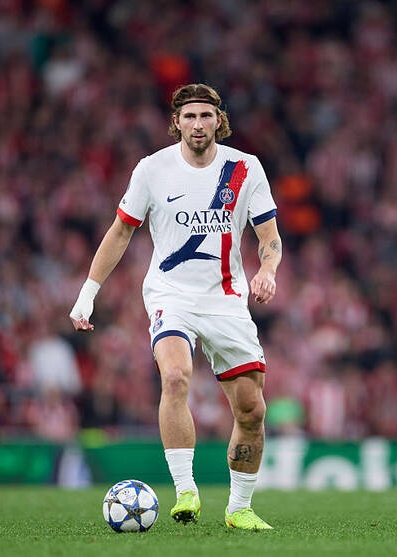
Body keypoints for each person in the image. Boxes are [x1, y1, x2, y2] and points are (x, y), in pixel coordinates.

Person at [70, 83, 281, 530]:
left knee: (252, 410)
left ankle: (239, 508)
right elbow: (121, 231)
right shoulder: (152, 169)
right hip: (171, 295)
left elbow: (269, 237)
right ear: (177, 123)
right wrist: (88, 293)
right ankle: (186, 491)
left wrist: (268, 270)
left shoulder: (245, 168)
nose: (198, 124)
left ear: (219, 120)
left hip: (226, 300)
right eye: (189, 117)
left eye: (205, 116)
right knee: (175, 375)